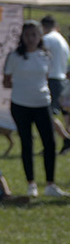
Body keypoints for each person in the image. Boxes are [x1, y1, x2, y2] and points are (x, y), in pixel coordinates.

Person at [3, 21, 69, 198]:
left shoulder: (46, 55)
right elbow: (6, 80)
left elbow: (46, 77)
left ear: (40, 36)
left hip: (42, 103)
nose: (30, 39)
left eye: (34, 35)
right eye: (27, 35)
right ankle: (31, 183)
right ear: (22, 37)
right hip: (20, 104)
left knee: (50, 143)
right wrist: (22, 86)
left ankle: (50, 184)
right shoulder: (14, 57)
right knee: (27, 142)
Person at [40, 15, 70, 155]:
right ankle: (50, 145)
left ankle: (65, 139)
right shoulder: (62, 39)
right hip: (61, 79)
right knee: (52, 114)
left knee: (47, 115)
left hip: (52, 79)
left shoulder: (48, 39)